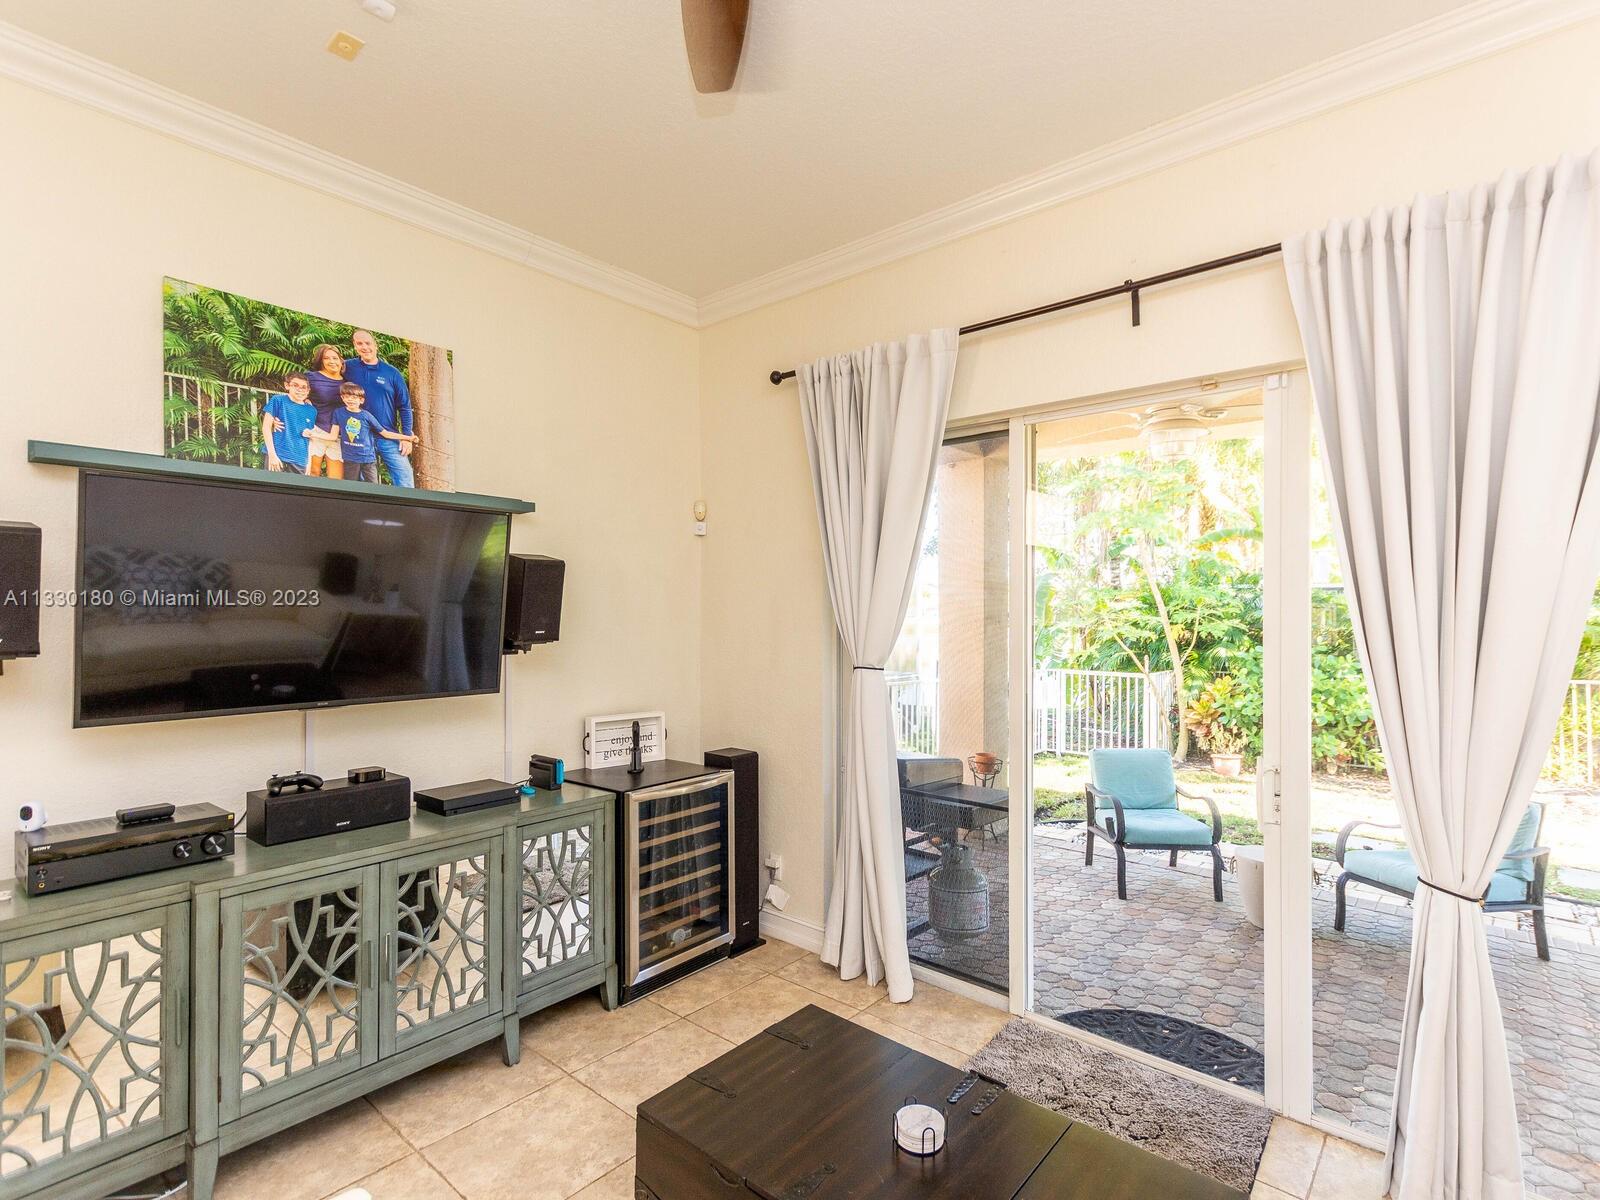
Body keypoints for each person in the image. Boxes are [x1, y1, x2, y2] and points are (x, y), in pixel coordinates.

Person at [343, 330, 416, 487]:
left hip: (388, 435)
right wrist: (308, 398)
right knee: (364, 484)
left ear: (375, 345)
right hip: (359, 437)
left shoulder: (392, 373)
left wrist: (406, 437)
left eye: (368, 343)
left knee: (405, 478)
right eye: (359, 343)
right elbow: (328, 381)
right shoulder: (347, 367)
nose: (364, 347)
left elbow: (404, 406)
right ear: (355, 346)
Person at [307, 382, 414, 483]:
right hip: (350, 459)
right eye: (347, 397)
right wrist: (313, 434)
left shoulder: (366, 416)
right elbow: (333, 436)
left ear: (361, 400)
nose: (350, 400)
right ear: (342, 398)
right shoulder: (338, 413)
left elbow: (385, 433)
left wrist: (407, 437)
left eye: (354, 397)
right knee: (351, 487)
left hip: (367, 459)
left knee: (373, 487)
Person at [303, 343, 347, 478]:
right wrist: (275, 418)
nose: (331, 361)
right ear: (320, 361)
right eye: (326, 358)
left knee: (336, 479)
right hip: (315, 430)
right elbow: (294, 396)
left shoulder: (348, 382)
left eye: (335, 358)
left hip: (338, 435)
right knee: (312, 474)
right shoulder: (311, 377)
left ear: (341, 360)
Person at [260, 373, 318, 474]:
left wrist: (308, 463)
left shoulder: (312, 410)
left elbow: (310, 437)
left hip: (300, 460)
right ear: (287, 385)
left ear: (308, 390)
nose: (300, 389)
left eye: (304, 387)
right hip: (278, 454)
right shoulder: (278, 400)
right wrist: (272, 455)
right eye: (295, 385)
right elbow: (266, 427)